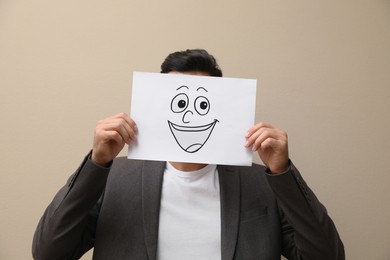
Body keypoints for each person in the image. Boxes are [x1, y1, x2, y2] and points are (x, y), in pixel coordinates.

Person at [32, 49, 344, 260]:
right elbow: (49, 251)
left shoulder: (263, 183)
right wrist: (97, 164)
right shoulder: (115, 177)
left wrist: (282, 173)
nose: (189, 117)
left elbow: (328, 255)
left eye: (204, 104)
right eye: (179, 103)